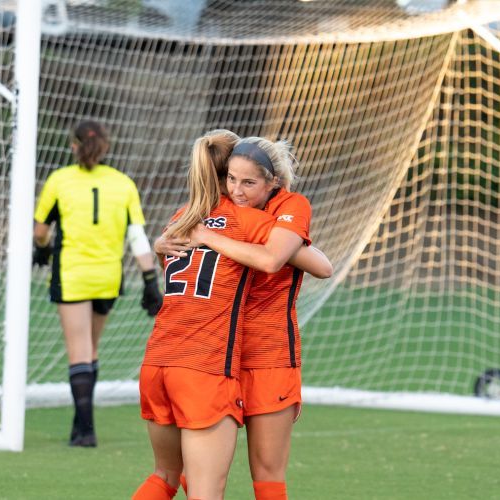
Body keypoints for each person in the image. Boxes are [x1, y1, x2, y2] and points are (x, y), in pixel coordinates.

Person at [133, 130, 329, 500]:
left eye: (249, 182)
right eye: (231, 179)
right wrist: (177, 241)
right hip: (213, 359)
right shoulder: (230, 219)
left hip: (261, 356)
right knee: (204, 480)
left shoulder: (196, 217)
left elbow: (307, 264)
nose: (238, 190)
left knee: (252, 475)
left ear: (273, 182)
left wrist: (194, 238)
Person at [33, 120, 162, 447]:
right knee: (91, 348)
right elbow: (137, 237)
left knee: (79, 351)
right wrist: (150, 281)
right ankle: (80, 426)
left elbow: (39, 230)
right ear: (105, 147)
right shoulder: (123, 184)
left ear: (73, 146)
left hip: (72, 275)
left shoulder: (59, 180)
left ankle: (86, 431)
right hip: (108, 278)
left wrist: (43, 251)